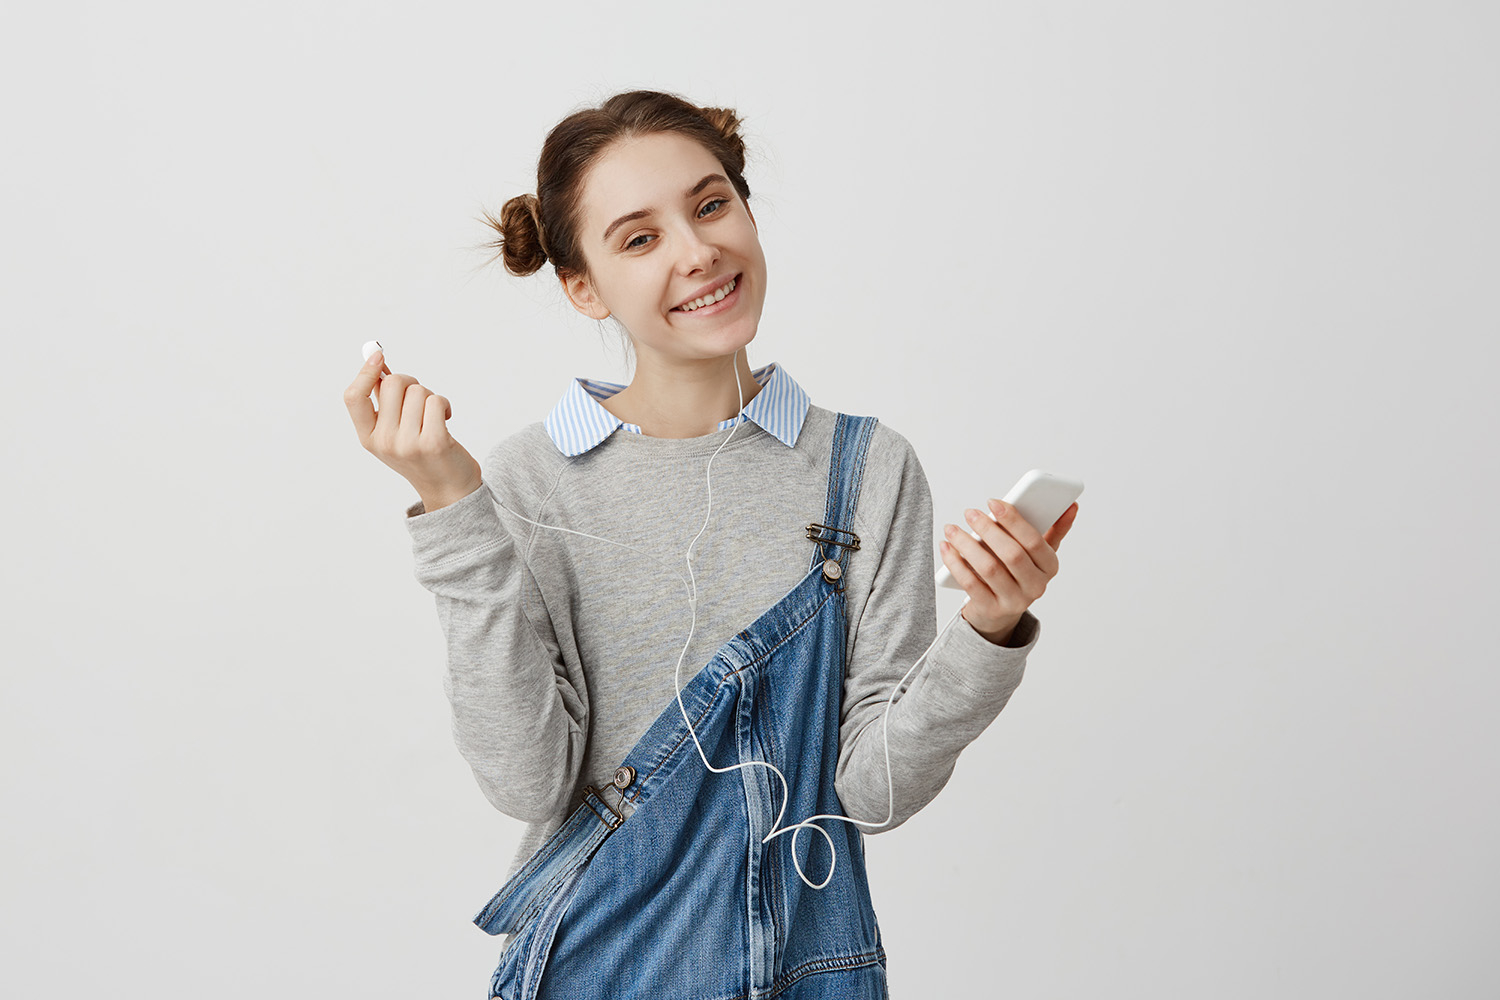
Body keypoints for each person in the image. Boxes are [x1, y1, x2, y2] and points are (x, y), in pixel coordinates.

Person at [343, 89, 1078, 1000]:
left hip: (809, 971)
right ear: (582, 286)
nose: (698, 252)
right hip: (595, 967)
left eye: (710, 204)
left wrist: (990, 627)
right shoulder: (530, 480)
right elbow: (528, 784)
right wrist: (454, 505)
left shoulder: (867, 468)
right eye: (639, 238)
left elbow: (872, 794)